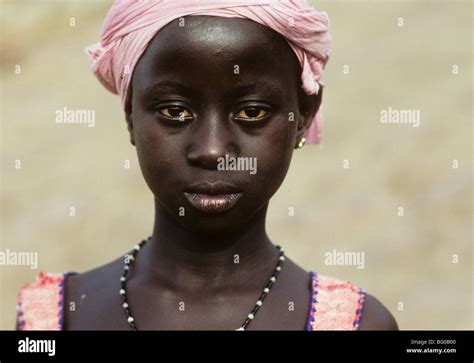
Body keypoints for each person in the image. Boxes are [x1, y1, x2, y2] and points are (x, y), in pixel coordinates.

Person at [16, 0, 398, 331]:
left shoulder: (357, 325)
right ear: (131, 114)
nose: (212, 151)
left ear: (302, 115)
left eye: (251, 112)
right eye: (175, 111)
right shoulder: (56, 318)